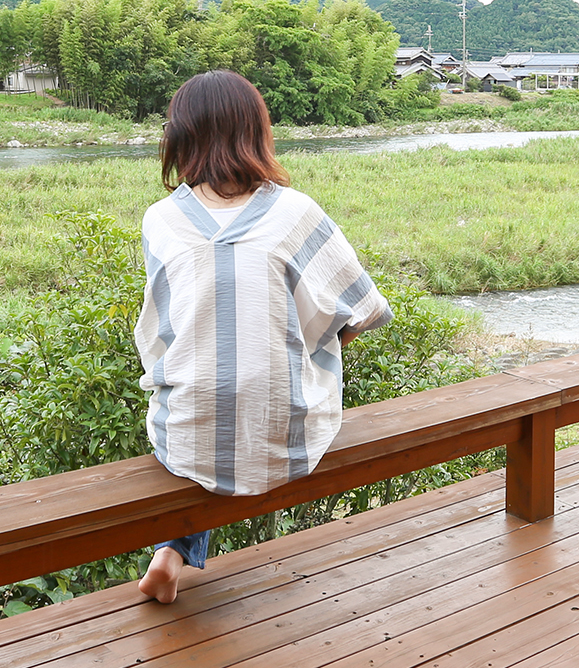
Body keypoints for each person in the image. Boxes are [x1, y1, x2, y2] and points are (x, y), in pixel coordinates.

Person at [134, 69, 392, 603]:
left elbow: (159, 334)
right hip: (287, 435)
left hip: (190, 434)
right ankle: (174, 551)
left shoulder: (160, 219)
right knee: (264, 390)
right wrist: (301, 348)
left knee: (196, 403)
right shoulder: (295, 212)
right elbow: (365, 311)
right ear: (257, 130)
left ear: (179, 136)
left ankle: (171, 550)